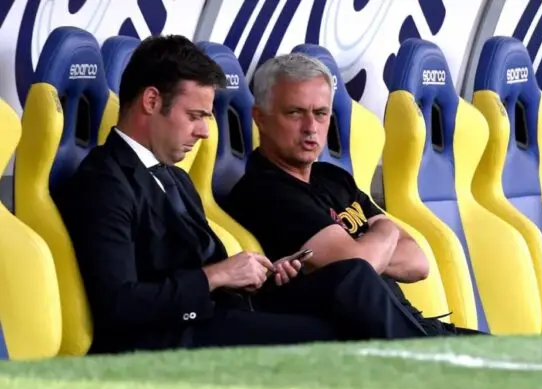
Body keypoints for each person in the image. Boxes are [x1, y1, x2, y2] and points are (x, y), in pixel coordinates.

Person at [55, 35, 346, 354]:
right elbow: (119, 304)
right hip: (161, 345)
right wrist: (216, 275)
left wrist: (255, 277)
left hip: (211, 322)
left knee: (345, 303)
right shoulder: (103, 183)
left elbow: (203, 269)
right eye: (194, 116)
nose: (205, 132)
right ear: (151, 101)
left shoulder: (177, 178)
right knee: (328, 340)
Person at [224, 53, 486, 336]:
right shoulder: (265, 191)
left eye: (321, 113)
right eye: (295, 113)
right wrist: (385, 228)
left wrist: (366, 248)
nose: (311, 127)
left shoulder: (333, 178)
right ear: (260, 118)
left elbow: (417, 264)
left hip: (415, 325)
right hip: (371, 339)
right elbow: (359, 269)